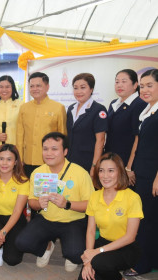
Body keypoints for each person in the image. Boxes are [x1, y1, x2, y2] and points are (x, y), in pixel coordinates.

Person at [15, 132, 94, 272]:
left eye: (54, 149)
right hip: (46, 219)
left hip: (73, 221)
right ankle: (47, 246)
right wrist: (39, 204)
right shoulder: (38, 173)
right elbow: (31, 202)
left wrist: (67, 204)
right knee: (22, 243)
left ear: (65, 151)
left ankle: (70, 254)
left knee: (76, 255)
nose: (49, 153)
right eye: (45, 149)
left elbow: (91, 205)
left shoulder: (80, 173)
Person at [79, 152, 143, 280]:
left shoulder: (132, 198)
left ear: (119, 172)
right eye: (101, 171)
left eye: (111, 171)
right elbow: (91, 231)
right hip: (103, 242)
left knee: (99, 263)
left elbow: (130, 237)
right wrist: (87, 262)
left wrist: (96, 252)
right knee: (86, 276)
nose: (105, 176)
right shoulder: (95, 196)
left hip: (126, 248)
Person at [126, 69, 158, 276]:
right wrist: (129, 168)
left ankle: (143, 264)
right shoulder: (147, 111)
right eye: (142, 85)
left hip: (153, 176)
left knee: (148, 221)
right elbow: (138, 143)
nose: (145, 90)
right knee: (143, 218)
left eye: (150, 85)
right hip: (141, 172)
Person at [0, 144, 29, 267]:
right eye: (1, 158)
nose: (4, 163)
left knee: (12, 260)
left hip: (15, 220)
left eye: (9, 159)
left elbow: (17, 211)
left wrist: (3, 233)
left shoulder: (23, 181)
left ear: (15, 162)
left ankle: (0, 243)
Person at [16, 72, 66, 178]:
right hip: (27, 160)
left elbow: (62, 137)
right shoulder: (24, 108)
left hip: (50, 161)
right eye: (32, 86)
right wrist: (19, 159)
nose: (35, 89)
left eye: (38, 85)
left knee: (48, 193)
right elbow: (20, 135)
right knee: (29, 192)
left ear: (47, 87)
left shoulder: (58, 108)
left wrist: (60, 161)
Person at [104, 69, 146, 186]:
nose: (119, 85)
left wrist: (129, 167)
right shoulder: (113, 104)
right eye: (117, 82)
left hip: (126, 162)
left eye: (124, 81)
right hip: (111, 160)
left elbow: (138, 138)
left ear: (135, 85)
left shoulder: (139, 104)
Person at [66, 73, 107, 176]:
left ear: (91, 89)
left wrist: (94, 166)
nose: (79, 91)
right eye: (75, 88)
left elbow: (100, 140)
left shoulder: (98, 110)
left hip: (87, 162)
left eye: (83, 87)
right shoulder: (71, 108)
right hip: (70, 161)